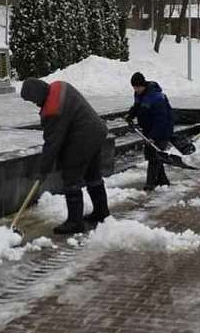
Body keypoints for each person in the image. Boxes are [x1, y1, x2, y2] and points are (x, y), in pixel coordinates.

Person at [20, 78, 110, 234]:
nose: (34, 103)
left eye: (33, 100)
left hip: (83, 137)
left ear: (38, 94)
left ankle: (75, 223)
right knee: (93, 175)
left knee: (71, 177)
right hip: (96, 130)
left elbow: (52, 143)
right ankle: (101, 212)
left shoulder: (53, 109)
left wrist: (43, 170)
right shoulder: (60, 86)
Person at [125, 72, 175, 190]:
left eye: (138, 87)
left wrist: (153, 136)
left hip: (162, 130)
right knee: (154, 155)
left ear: (143, 85)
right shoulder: (139, 94)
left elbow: (161, 120)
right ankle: (163, 181)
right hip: (148, 129)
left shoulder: (157, 97)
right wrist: (130, 115)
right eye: (134, 87)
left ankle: (150, 184)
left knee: (154, 157)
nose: (136, 90)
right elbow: (137, 106)